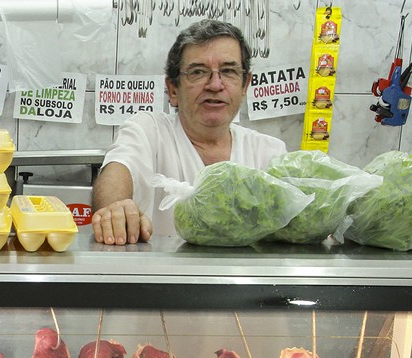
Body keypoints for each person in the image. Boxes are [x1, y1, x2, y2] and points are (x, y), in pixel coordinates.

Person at [91, 19, 287, 245]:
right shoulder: (150, 130)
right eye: (198, 72)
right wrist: (114, 208)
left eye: (229, 71)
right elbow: (118, 168)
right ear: (173, 89)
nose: (215, 84)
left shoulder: (269, 152)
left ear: (245, 86)